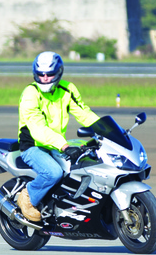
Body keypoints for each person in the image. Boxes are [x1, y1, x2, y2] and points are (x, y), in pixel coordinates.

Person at [14, 51, 100, 224]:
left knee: (87, 164)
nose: (45, 78)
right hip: (33, 146)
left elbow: (84, 114)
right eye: (40, 74)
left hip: (56, 145)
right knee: (53, 173)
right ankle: (27, 197)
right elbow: (38, 128)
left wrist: (110, 131)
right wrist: (64, 146)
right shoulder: (30, 93)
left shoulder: (67, 89)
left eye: (50, 74)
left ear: (59, 72)